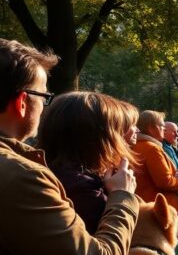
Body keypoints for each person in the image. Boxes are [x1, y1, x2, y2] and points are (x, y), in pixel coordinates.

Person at [0, 39, 138, 255]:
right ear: (23, 102)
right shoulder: (20, 178)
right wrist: (122, 198)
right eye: (44, 96)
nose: (45, 105)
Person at [38, 92, 140, 234]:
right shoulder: (82, 188)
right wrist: (121, 194)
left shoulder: (50, 172)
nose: (122, 140)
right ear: (100, 138)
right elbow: (106, 252)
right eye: (118, 131)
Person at [132, 110, 178, 213]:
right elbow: (165, 182)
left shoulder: (137, 146)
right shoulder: (152, 148)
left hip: (147, 206)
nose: (163, 128)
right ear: (151, 129)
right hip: (161, 209)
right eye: (161, 125)